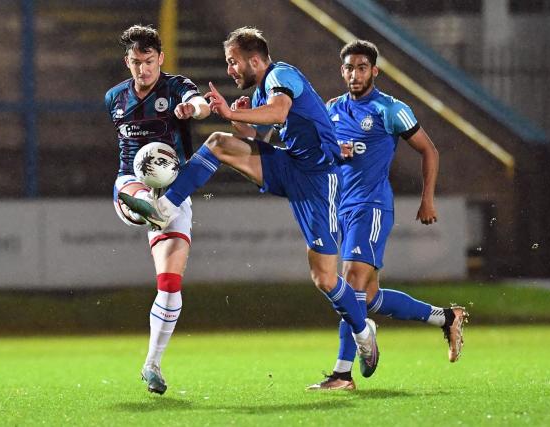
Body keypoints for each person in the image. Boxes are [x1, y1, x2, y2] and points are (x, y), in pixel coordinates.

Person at [118, 27, 380, 382]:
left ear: (254, 60)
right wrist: (240, 120)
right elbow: (258, 135)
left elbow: (279, 112)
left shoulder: (281, 75)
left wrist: (233, 112)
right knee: (219, 143)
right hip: (290, 165)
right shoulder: (261, 89)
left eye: (233, 62)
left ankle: (364, 333)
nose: (230, 70)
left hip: (319, 178)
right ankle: (166, 206)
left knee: (325, 278)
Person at [307, 40, 468, 391]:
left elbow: (429, 150)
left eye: (362, 67)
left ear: (375, 71)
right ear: (342, 71)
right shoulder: (331, 108)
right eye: (349, 68)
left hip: (371, 207)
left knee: (350, 284)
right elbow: (318, 154)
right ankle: (446, 317)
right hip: (341, 209)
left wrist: (427, 199)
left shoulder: (389, 109)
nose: (355, 74)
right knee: (369, 297)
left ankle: (342, 373)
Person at [105, 24, 210, 395]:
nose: (142, 70)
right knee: (136, 187)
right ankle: (145, 206)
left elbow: (201, 103)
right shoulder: (114, 98)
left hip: (175, 193)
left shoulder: (176, 86)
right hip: (129, 184)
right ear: (127, 62)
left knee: (168, 284)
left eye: (149, 62)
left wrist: (192, 108)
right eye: (135, 62)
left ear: (160, 59)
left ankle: (152, 364)